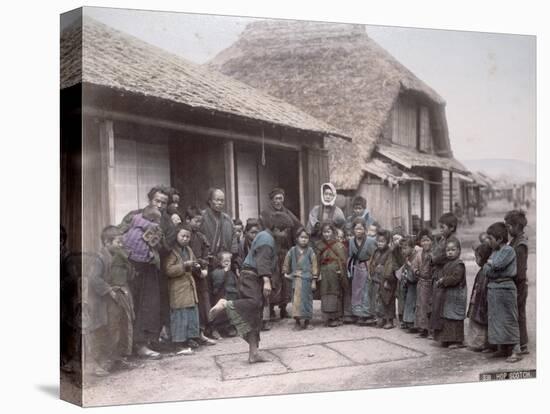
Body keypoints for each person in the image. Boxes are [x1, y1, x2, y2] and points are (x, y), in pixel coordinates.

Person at [208, 211, 294, 363]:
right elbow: (262, 262)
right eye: (284, 230)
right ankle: (226, 304)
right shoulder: (267, 239)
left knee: (255, 316)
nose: (286, 234)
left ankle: (253, 353)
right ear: (275, 228)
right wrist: (267, 281)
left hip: (253, 277)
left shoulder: (265, 237)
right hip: (252, 277)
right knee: (253, 304)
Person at [118, 185, 173, 358]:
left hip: (151, 268)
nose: (159, 205)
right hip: (130, 265)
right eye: (157, 200)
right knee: (130, 304)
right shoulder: (135, 215)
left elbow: (168, 247)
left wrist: (156, 243)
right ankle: (126, 346)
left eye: (163, 202)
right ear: (150, 199)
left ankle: (143, 343)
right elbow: (119, 233)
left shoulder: (167, 222)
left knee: (148, 306)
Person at [89, 226, 137, 374]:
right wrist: (109, 290)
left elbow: (128, 276)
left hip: (119, 297)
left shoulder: (119, 256)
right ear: (106, 242)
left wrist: (127, 262)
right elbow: (94, 279)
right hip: (104, 301)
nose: (121, 245)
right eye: (118, 242)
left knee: (120, 326)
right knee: (108, 329)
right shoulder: (99, 258)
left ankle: (117, 358)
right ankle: (101, 363)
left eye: (122, 242)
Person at [123, 204, 165, 360]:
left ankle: (139, 344)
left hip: (130, 264)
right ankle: (140, 344)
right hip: (142, 267)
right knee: (143, 305)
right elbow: (155, 243)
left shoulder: (133, 221)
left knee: (140, 306)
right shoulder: (153, 227)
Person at [260, 187, 303, 321]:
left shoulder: (287, 213)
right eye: (276, 198)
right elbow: (263, 231)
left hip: (285, 251)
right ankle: (271, 308)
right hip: (272, 251)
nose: (278, 201)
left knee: (286, 280)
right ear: (271, 200)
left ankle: (284, 308)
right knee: (274, 280)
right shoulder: (265, 214)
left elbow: (298, 227)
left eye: (281, 198)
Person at [164, 225, 206, 355]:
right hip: (177, 287)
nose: (185, 239)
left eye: (188, 236)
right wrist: (184, 265)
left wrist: (196, 265)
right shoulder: (172, 251)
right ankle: (178, 343)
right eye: (182, 236)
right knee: (179, 314)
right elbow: (168, 270)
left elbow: (192, 262)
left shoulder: (188, 249)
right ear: (176, 236)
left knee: (190, 313)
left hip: (189, 286)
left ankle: (189, 339)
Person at [485, 222, 522, 363]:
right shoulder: (494, 252)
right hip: (494, 289)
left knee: (509, 318)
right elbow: (486, 271)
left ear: (499, 239)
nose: (488, 241)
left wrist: (490, 264)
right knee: (497, 320)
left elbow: (497, 265)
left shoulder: (508, 250)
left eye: (490, 238)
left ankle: (515, 350)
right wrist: (490, 266)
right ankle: (502, 347)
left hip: (506, 289)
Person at [185, 206, 217, 345]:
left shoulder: (200, 236)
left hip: (200, 272)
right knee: (192, 304)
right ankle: (193, 334)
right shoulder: (185, 236)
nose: (198, 224)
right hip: (189, 273)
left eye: (200, 222)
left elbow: (206, 250)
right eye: (196, 221)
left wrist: (204, 263)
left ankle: (202, 331)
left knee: (204, 301)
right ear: (188, 220)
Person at [430, 237, 467, 349]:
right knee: (445, 317)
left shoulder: (459, 264)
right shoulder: (447, 263)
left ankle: (457, 340)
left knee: (454, 317)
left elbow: (456, 278)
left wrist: (443, 280)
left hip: (455, 295)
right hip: (447, 296)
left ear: (459, 251)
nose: (450, 252)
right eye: (448, 250)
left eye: (453, 250)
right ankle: (446, 338)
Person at [282, 228, 319, 330]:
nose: (304, 240)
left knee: (307, 300)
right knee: (296, 301)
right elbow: (287, 261)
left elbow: (314, 265)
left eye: (306, 238)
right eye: (301, 237)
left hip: (307, 279)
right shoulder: (292, 251)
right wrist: (286, 273)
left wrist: (314, 280)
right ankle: (297, 321)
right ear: (297, 238)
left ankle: (307, 321)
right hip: (296, 279)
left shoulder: (310, 251)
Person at [504, 210, 529, 355]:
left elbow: (519, 271)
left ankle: (521, 344)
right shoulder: (515, 241)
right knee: (517, 312)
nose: (507, 229)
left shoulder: (520, 245)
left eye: (508, 226)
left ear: (516, 226)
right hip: (517, 283)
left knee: (518, 313)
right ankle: (520, 342)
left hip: (518, 284)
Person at [315, 222, 348, 327]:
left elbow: (343, 261)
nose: (326, 234)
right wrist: (317, 273)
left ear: (333, 232)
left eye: (328, 231)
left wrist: (340, 271)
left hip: (335, 272)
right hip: (324, 273)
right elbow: (316, 261)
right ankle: (327, 317)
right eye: (324, 232)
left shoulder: (339, 245)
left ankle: (336, 317)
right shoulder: (319, 245)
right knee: (325, 293)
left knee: (336, 293)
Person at [347, 217, 377, 326]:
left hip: (367, 267)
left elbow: (374, 256)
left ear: (365, 229)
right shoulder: (351, 241)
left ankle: (367, 314)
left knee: (366, 290)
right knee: (356, 291)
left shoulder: (370, 241)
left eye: (361, 229)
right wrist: (350, 269)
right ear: (353, 230)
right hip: (356, 268)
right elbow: (350, 256)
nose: (358, 231)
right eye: (356, 229)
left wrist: (371, 270)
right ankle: (358, 314)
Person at [369, 229, 398, 329]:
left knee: (388, 300)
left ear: (387, 242)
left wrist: (387, 279)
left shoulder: (390, 253)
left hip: (387, 279)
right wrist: (372, 271)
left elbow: (390, 266)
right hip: (377, 279)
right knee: (379, 300)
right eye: (378, 241)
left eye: (382, 242)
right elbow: (372, 263)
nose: (380, 243)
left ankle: (389, 320)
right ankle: (381, 318)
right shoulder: (376, 252)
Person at [466, 243, 493, 352]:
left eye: (477, 257)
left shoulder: (486, 269)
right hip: (477, 299)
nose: (476, 260)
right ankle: (477, 343)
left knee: (481, 323)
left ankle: (482, 344)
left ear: (482, 257)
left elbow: (483, 287)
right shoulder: (483, 269)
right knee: (476, 321)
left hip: (481, 300)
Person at [210, 251, 239, 337]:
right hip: (222, 295)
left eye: (229, 260)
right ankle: (215, 329)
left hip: (232, 295)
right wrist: (224, 272)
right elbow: (216, 281)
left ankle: (230, 328)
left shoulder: (231, 272)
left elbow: (236, 282)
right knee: (220, 313)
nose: (227, 262)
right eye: (224, 260)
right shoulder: (217, 271)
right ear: (219, 261)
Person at [414, 229, 434, 338]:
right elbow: (414, 266)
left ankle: (431, 329)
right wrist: (416, 271)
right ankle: (423, 328)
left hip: (431, 283)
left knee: (430, 306)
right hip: (421, 283)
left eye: (428, 240)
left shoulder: (434, 254)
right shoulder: (418, 254)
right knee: (421, 306)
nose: (425, 243)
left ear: (432, 241)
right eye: (423, 241)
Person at [398, 237, 420, 333]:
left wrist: (410, 269)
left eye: (405, 248)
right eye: (402, 248)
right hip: (408, 283)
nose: (403, 250)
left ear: (412, 247)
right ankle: (407, 321)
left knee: (412, 302)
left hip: (414, 284)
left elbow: (415, 270)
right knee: (408, 302)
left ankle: (413, 323)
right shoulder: (407, 257)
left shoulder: (416, 257)